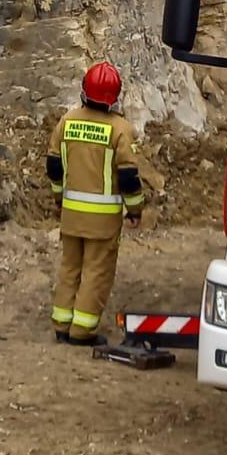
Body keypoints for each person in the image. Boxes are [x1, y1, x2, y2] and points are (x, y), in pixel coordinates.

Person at [46, 61, 144, 346]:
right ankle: (82, 331)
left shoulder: (67, 121)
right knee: (96, 273)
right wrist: (135, 210)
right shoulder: (120, 129)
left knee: (70, 268)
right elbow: (128, 177)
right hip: (103, 221)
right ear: (115, 97)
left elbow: (54, 167)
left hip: (71, 215)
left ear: (84, 91)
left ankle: (62, 325)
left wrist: (58, 198)